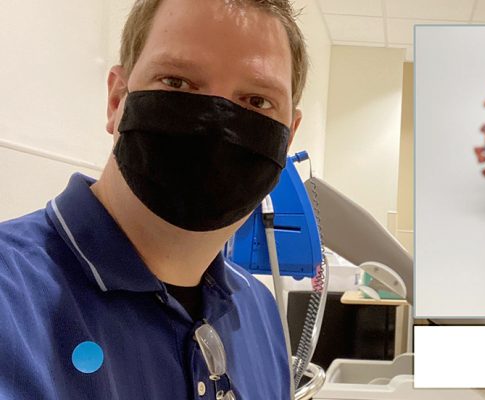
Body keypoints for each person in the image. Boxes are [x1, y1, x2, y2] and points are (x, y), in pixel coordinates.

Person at [0, 0, 307, 398]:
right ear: (116, 100)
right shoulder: (11, 301)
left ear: (289, 137)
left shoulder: (259, 312)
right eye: (176, 82)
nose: (217, 123)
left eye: (257, 102)